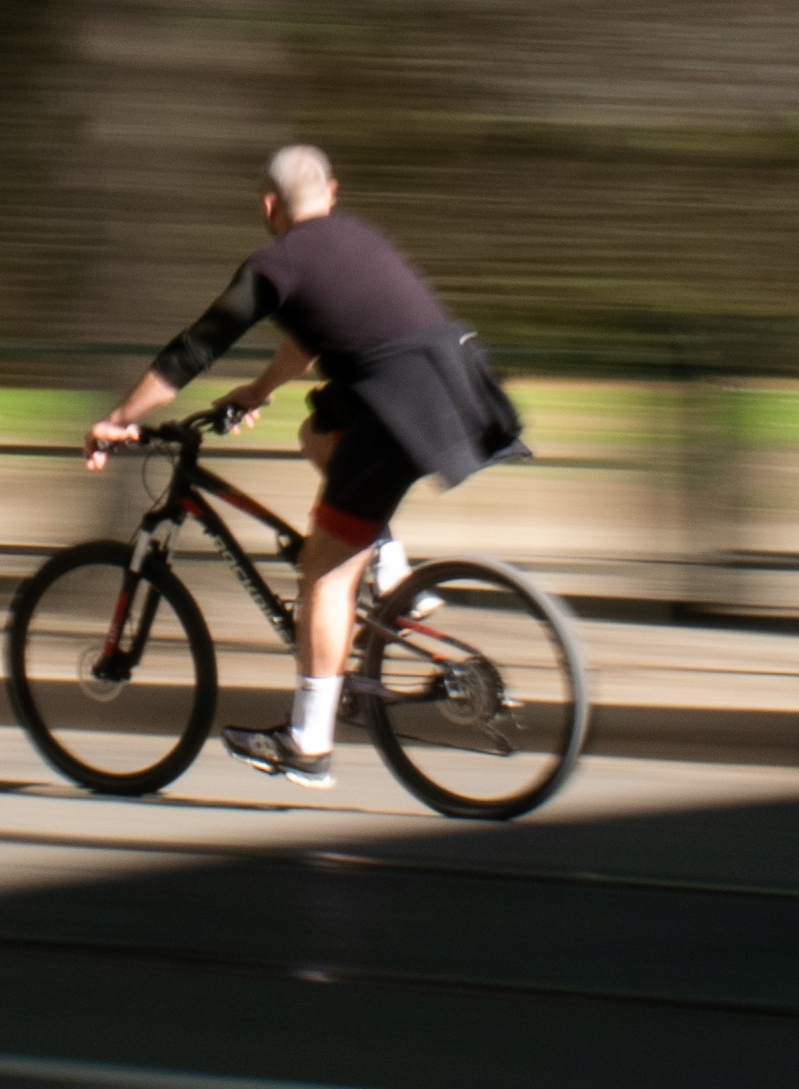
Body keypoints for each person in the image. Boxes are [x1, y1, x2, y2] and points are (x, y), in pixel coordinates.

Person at [85, 144, 524, 787]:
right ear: (332, 191)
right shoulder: (360, 239)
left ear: (269, 205)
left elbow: (192, 351)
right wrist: (257, 392)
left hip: (393, 409)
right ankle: (394, 572)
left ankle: (308, 743)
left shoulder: (274, 263)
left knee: (322, 577)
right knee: (318, 435)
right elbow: (306, 340)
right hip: (454, 380)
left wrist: (118, 419)